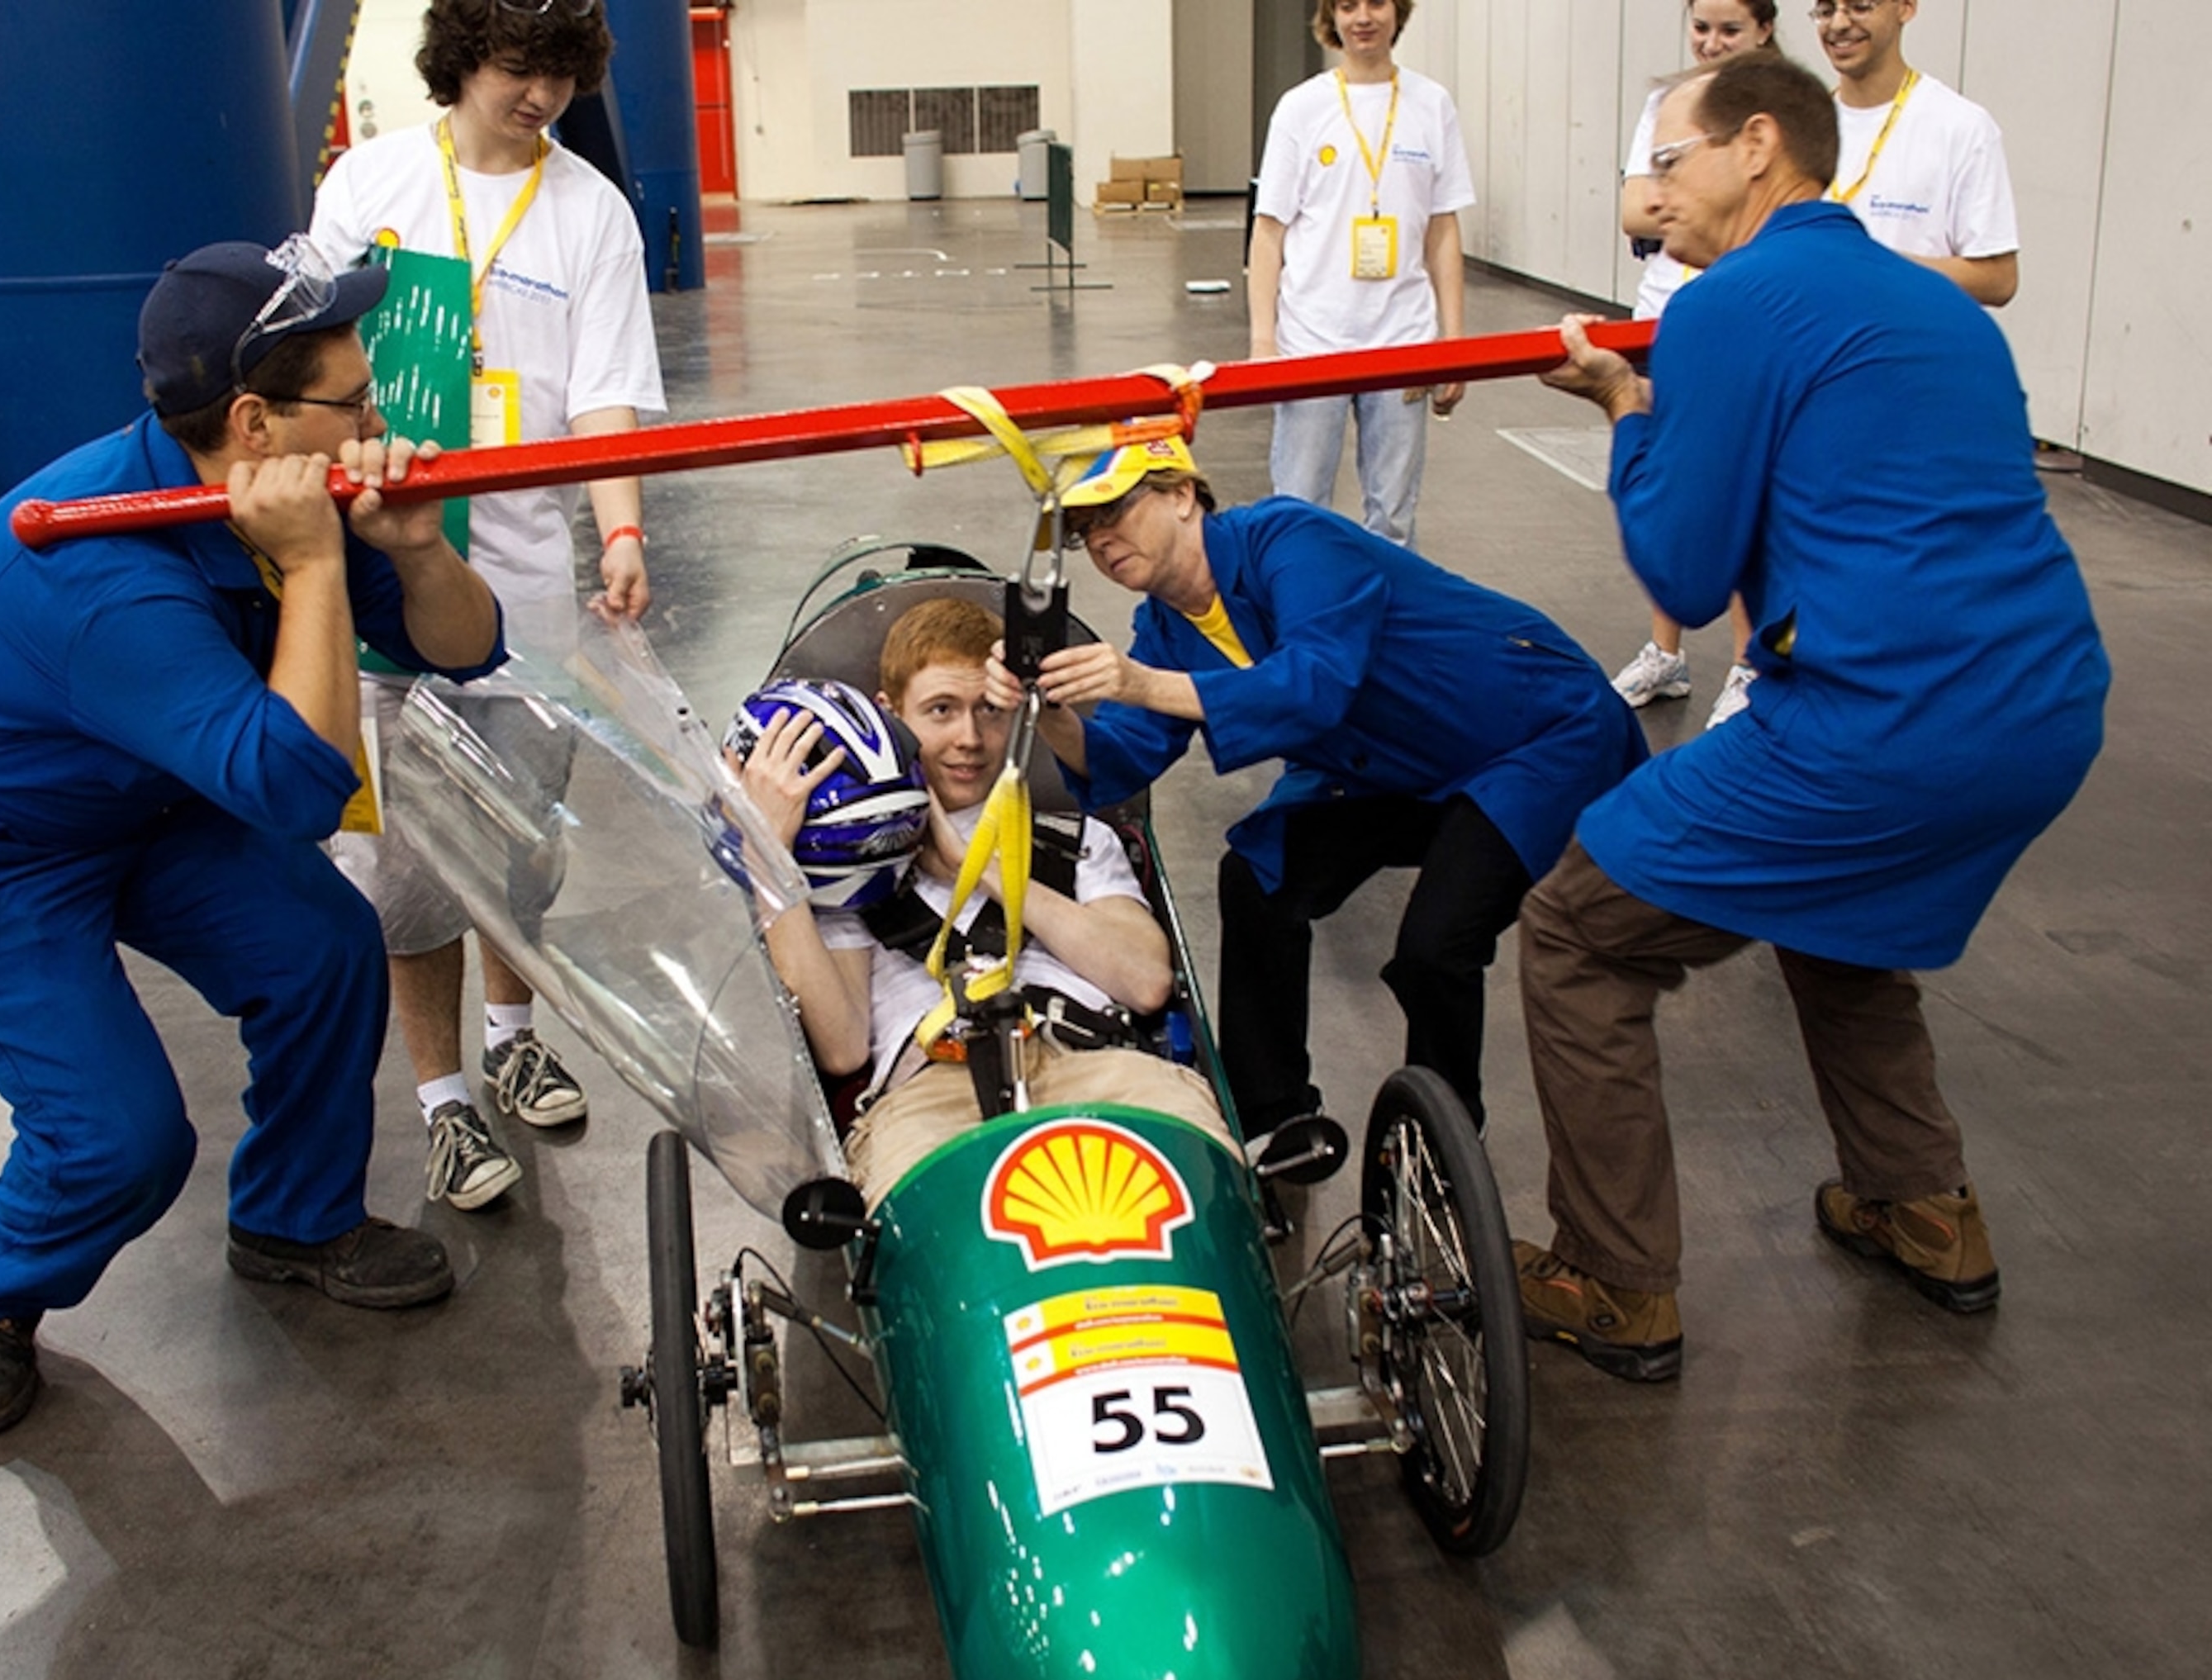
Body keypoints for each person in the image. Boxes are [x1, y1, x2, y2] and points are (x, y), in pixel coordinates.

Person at [0, 239, 507, 1438]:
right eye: (354, 398)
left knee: (322, 944)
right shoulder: (107, 572)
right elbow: (296, 792)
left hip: (130, 797)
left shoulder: (279, 490)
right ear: (256, 421)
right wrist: (311, 568)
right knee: (124, 1135)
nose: (379, 415)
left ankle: (294, 1218)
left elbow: (465, 647)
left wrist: (418, 546)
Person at [1525, 53, 2106, 1381]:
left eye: (1669, 159)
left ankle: (1613, 1277)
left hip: (1882, 723)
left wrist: (1631, 414)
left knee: (1575, 928)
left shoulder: (1735, 304)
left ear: (1758, 145)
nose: (1650, 189)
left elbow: (1681, 568)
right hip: (2043, 705)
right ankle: (1920, 1203)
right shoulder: (1935, 304)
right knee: (1834, 900)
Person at [1021, 436, 1646, 1150]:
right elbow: (1120, 762)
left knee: (1436, 947)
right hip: (1391, 766)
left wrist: (1137, 682)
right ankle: (1275, 1123)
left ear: (1183, 496)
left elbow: (1315, 685)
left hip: (1525, 738)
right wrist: (1056, 716)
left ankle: (1441, 1149)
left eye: (1117, 510)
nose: (1100, 539)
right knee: (1259, 878)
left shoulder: (1293, 538)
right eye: (1084, 531)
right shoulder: (1164, 627)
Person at [310, 0, 662, 1211]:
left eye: (564, 75)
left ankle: (513, 1035)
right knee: (409, 869)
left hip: (523, 592)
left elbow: (608, 396)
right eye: (521, 69)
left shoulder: (592, 211)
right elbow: (307, 366)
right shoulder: (371, 184)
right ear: (461, 59)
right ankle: (443, 1103)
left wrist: (620, 529)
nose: (543, 96)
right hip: (386, 576)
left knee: (515, 843)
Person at [739, 600, 1232, 1210]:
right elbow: (842, 1048)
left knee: (1209, 1204)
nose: (969, 739)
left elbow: (1147, 981)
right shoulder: (844, 871)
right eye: (941, 711)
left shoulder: (1079, 839)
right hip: (933, 1099)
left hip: (1105, 1071)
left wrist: (978, 871)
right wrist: (769, 859)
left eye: (991, 712)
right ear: (890, 716)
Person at [1605, 0, 1776, 728]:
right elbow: (1634, 212)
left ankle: (1748, 662)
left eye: (1729, 30)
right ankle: (1665, 652)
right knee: (1672, 480)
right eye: (1701, 27)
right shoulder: (1666, 103)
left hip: (1743, 316)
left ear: (1765, 30)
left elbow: (1750, 212)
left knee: (1742, 489)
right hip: (1664, 315)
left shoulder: (1777, 105)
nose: (1711, 43)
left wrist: (1674, 191)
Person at [1248, 0, 1473, 548]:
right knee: (1297, 508)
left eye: (1376, 3)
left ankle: (1387, 628)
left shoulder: (1431, 103)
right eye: (1347, 5)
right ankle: (1300, 621)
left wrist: (1455, 341)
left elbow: (1442, 230)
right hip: (1311, 341)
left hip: (1402, 340)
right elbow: (1269, 232)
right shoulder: (1302, 108)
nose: (1362, 17)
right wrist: (1262, 341)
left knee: (1393, 516)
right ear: (1331, 15)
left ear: (1398, 11)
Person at [1816, 0, 2018, 307]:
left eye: (1859, 7)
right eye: (1826, 10)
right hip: (1812, 346)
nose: (1839, 24)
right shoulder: (1800, 125)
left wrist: (1882, 267)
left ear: (1906, 8)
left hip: (1907, 347)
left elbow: (1999, 280)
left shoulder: (1961, 126)